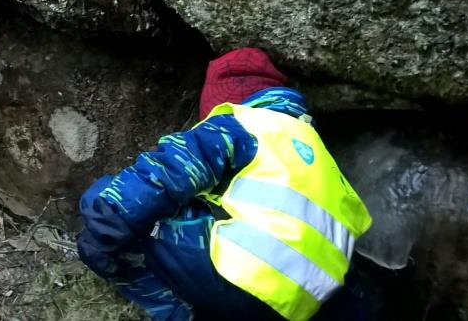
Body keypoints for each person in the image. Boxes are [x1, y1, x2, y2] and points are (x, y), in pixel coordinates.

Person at [77, 48, 373, 321]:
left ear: (224, 102)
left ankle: (177, 314)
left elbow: (169, 169)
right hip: (302, 306)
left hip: (241, 285)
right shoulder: (317, 153)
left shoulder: (243, 123)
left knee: (103, 197)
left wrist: (105, 228)